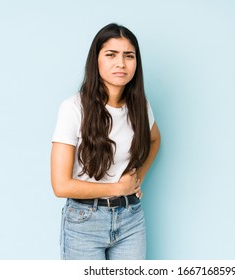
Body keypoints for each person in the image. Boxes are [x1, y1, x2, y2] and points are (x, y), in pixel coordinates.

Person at [50, 23, 161, 260]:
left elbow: (154, 140)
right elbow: (61, 185)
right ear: (96, 60)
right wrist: (117, 188)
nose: (121, 63)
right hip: (84, 221)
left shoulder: (140, 106)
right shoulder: (73, 108)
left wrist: (137, 176)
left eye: (128, 56)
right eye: (111, 54)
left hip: (131, 218)